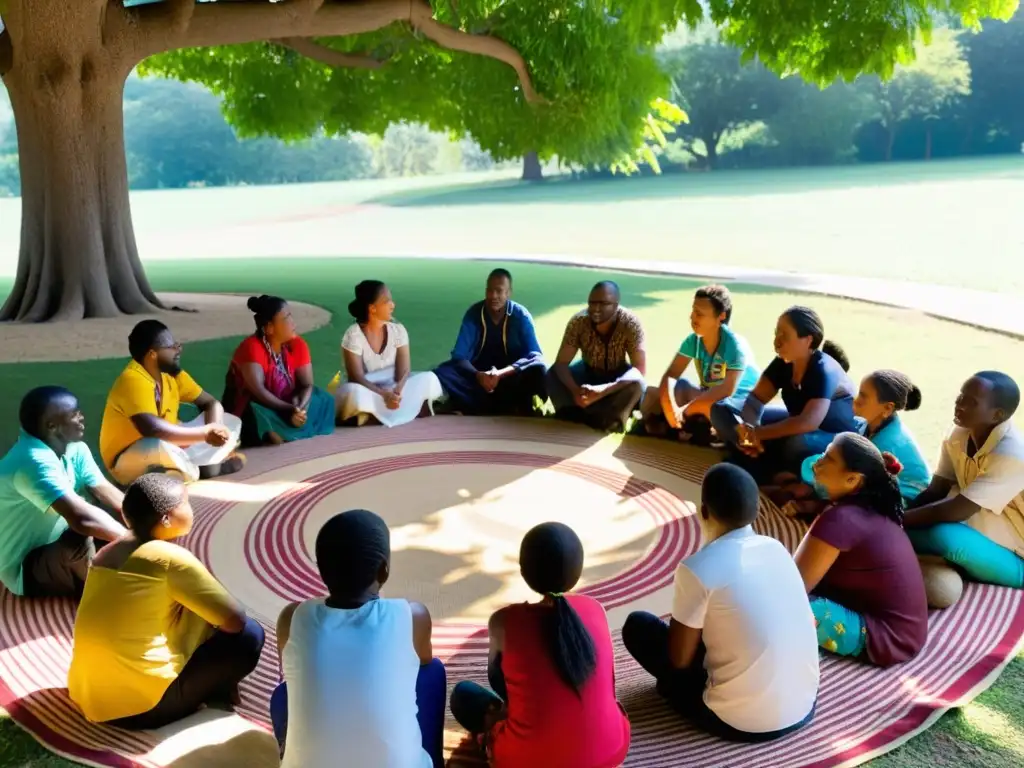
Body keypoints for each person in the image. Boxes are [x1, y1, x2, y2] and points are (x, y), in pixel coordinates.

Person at [622, 464, 818, 742]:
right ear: (758, 512)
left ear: (703, 512)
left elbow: (678, 659)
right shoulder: (778, 549)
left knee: (638, 626)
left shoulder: (698, 568)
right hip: (804, 706)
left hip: (736, 722)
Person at [68, 473, 265, 729]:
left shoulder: (107, 552)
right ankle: (215, 690)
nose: (191, 510)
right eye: (186, 503)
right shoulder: (167, 557)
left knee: (192, 612)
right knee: (250, 634)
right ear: (166, 519)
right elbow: (235, 621)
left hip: (90, 697)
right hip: (143, 708)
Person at [271, 509, 446, 768]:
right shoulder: (412, 616)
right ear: (384, 571)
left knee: (283, 695)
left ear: (321, 570)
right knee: (432, 671)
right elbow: (424, 659)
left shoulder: (293, 618)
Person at [449, 522, 630, 768]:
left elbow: (497, 679)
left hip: (530, 760)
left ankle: (509, 732)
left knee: (464, 695)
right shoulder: (595, 610)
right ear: (578, 569)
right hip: (610, 751)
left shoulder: (504, 622)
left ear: (523, 570)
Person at [794, 433, 928, 666]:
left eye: (828, 458)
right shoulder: (867, 510)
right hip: (905, 633)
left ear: (852, 480)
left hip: (888, 639)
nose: (817, 462)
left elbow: (793, 586)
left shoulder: (841, 519)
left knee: (780, 606)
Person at [904, 371, 1024, 608]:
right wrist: (901, 510)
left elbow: (959, 510)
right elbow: (937, 489)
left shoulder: (1012, 454)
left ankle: (882, 534)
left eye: (972, 402)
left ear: (997, 415)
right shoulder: (959, 432)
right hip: (982, 528)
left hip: (1017, 553)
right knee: (904, 496)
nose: (959, 404)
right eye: (961, 396)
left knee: (946, 538)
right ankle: (889, 535)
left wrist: (896, 520)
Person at [0, 387, 126, 599]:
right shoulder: (31, 461)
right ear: (52, 426)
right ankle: (102, 597)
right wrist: (138, 544)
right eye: (75, 414)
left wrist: (146, 526)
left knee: (130, 508)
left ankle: (112, 574)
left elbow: (109, 495)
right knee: (80, 536)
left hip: (63, 541)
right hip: (28, 568)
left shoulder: (76, 449)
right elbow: (81, 519)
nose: (82, 418)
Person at [711, 306, 859, 481]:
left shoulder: (824, 369)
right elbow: (755, 400)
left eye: (784, 336)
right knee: (721, 409)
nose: (777, 342)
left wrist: (758, 434)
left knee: (795, 444)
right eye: (776, 334)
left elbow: (808, 422)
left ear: (808, 340)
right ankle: (754, 456)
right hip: (795, 426)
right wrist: (749, 432)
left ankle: (757, 463)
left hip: (831, 437)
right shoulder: (783, 362)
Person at [100, 320, 243, 486]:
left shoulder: (171, 374)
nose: (178, 350)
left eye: (177, 345)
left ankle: (193, 466)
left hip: (172, 443)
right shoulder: (133, 379)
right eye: (171, 347)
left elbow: (211, 403)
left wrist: (215, 429)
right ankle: (197, 468)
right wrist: (205, 434)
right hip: (133, 455)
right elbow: (152, 429)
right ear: (152, 354)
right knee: (161, 447)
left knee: (230, 421)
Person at [775, 370, 930, 515]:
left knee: (836, 494)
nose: (856, 400)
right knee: (807, 468)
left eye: (863, 396)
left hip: (906, 498)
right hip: (871, 481)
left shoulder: (890, 443)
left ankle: (810, 504)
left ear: (887, 408)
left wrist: (813, 491)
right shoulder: (868, 424)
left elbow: (862, 483)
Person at [639, 284, 760, 444]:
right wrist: (670, 407)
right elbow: (671, 375)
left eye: (700, 313)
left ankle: (696, 430)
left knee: (714, 406)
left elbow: (726, 390)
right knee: (672, 389)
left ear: (721, 316)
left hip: (739, 406)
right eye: (693, 311)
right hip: (709, 399)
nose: (692, 317)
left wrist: (685, 410)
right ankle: (688, 428)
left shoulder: (734, 345)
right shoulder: (693, 341)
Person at [223, 295, 336, 446]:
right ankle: (275, 432)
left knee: (323, 399)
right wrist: (290, 410)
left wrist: (301, 408)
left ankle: (288, 429)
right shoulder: (251, 348)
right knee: (258, 414)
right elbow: (259, 393)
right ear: (269, 328)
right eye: (286, 318)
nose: (293, 323)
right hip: (257, 405)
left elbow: (307, 384)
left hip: (288, 403)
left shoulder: (297, 344)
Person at [432, 269, 547, 416]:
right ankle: (508, 407)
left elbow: (535, 355)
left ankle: (473, 405)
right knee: (444, 371)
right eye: (490, 291)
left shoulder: (520, 315)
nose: (493, 296)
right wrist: (479, 375)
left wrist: (500, 374)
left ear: (508, 292)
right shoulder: (474, 313)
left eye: (499, 291)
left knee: (538, 369)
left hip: (509, 377)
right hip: (479, 377)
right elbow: (459, 356)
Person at [333, 280, 442, 427]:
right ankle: (408, 411)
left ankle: (372, 417)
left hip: (394, 387)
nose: (393, 305)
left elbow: (404, 372)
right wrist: (384, 395)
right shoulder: (353, 334)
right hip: (368, 390)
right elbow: (356, 377)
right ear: (372, 308)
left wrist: (396, 393)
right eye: (386, 301)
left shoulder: (398, 330)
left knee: (429, 378)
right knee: (353, 393)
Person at [546, 281, 646, 432]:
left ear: (616, 304)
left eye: (603, 303)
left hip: (617, 377)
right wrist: (575, 391)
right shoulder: (578, 322)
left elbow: (639, 368)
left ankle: (612, 420)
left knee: (636, 383)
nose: (596, 308)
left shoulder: (631, 324)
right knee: (552, 374)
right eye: (592, 303)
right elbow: (561, 363)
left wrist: (603, 391)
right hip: (587, 373)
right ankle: (573, 413)